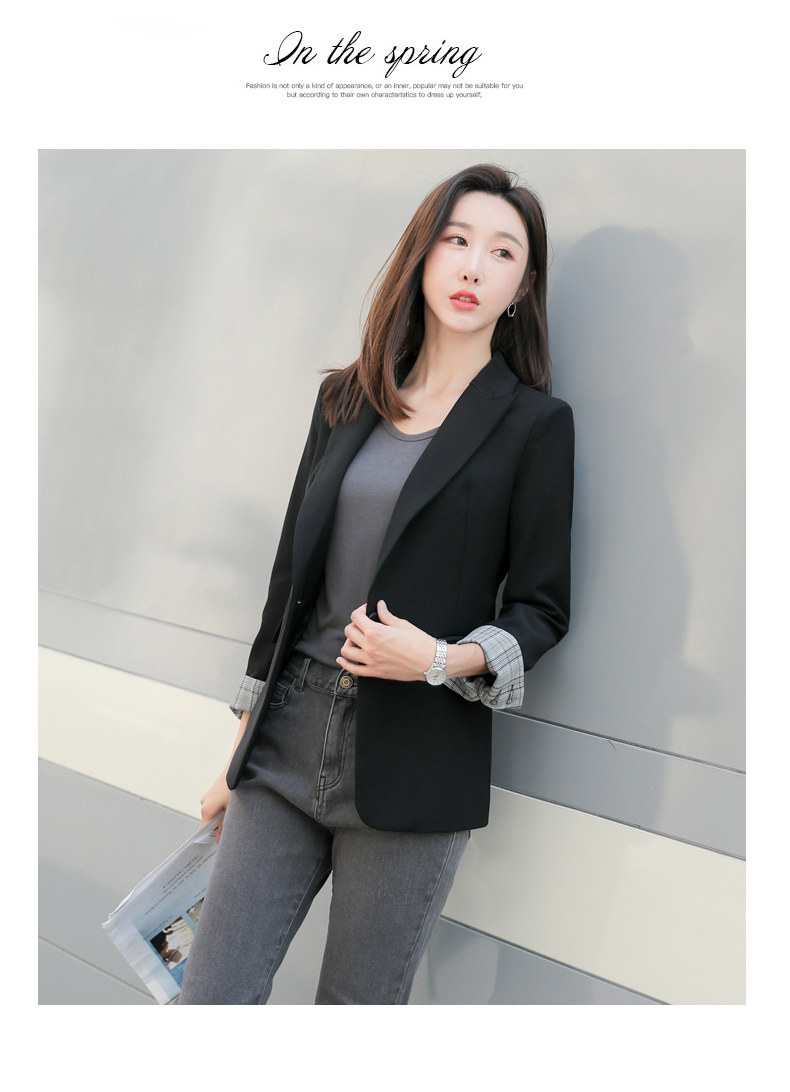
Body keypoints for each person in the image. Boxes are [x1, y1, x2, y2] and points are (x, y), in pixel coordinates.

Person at [178, 163, 575, 1005]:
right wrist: (239, 755)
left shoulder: (535, 427)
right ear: (422, 255)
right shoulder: (345, 400)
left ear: (522, 287)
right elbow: (289, 583)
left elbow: (542, 609)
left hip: (415, 759)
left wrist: (438, 659)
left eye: (502, 252)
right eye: (457, 240)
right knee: (209, 999)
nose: (473, 266)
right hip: (287, 740)